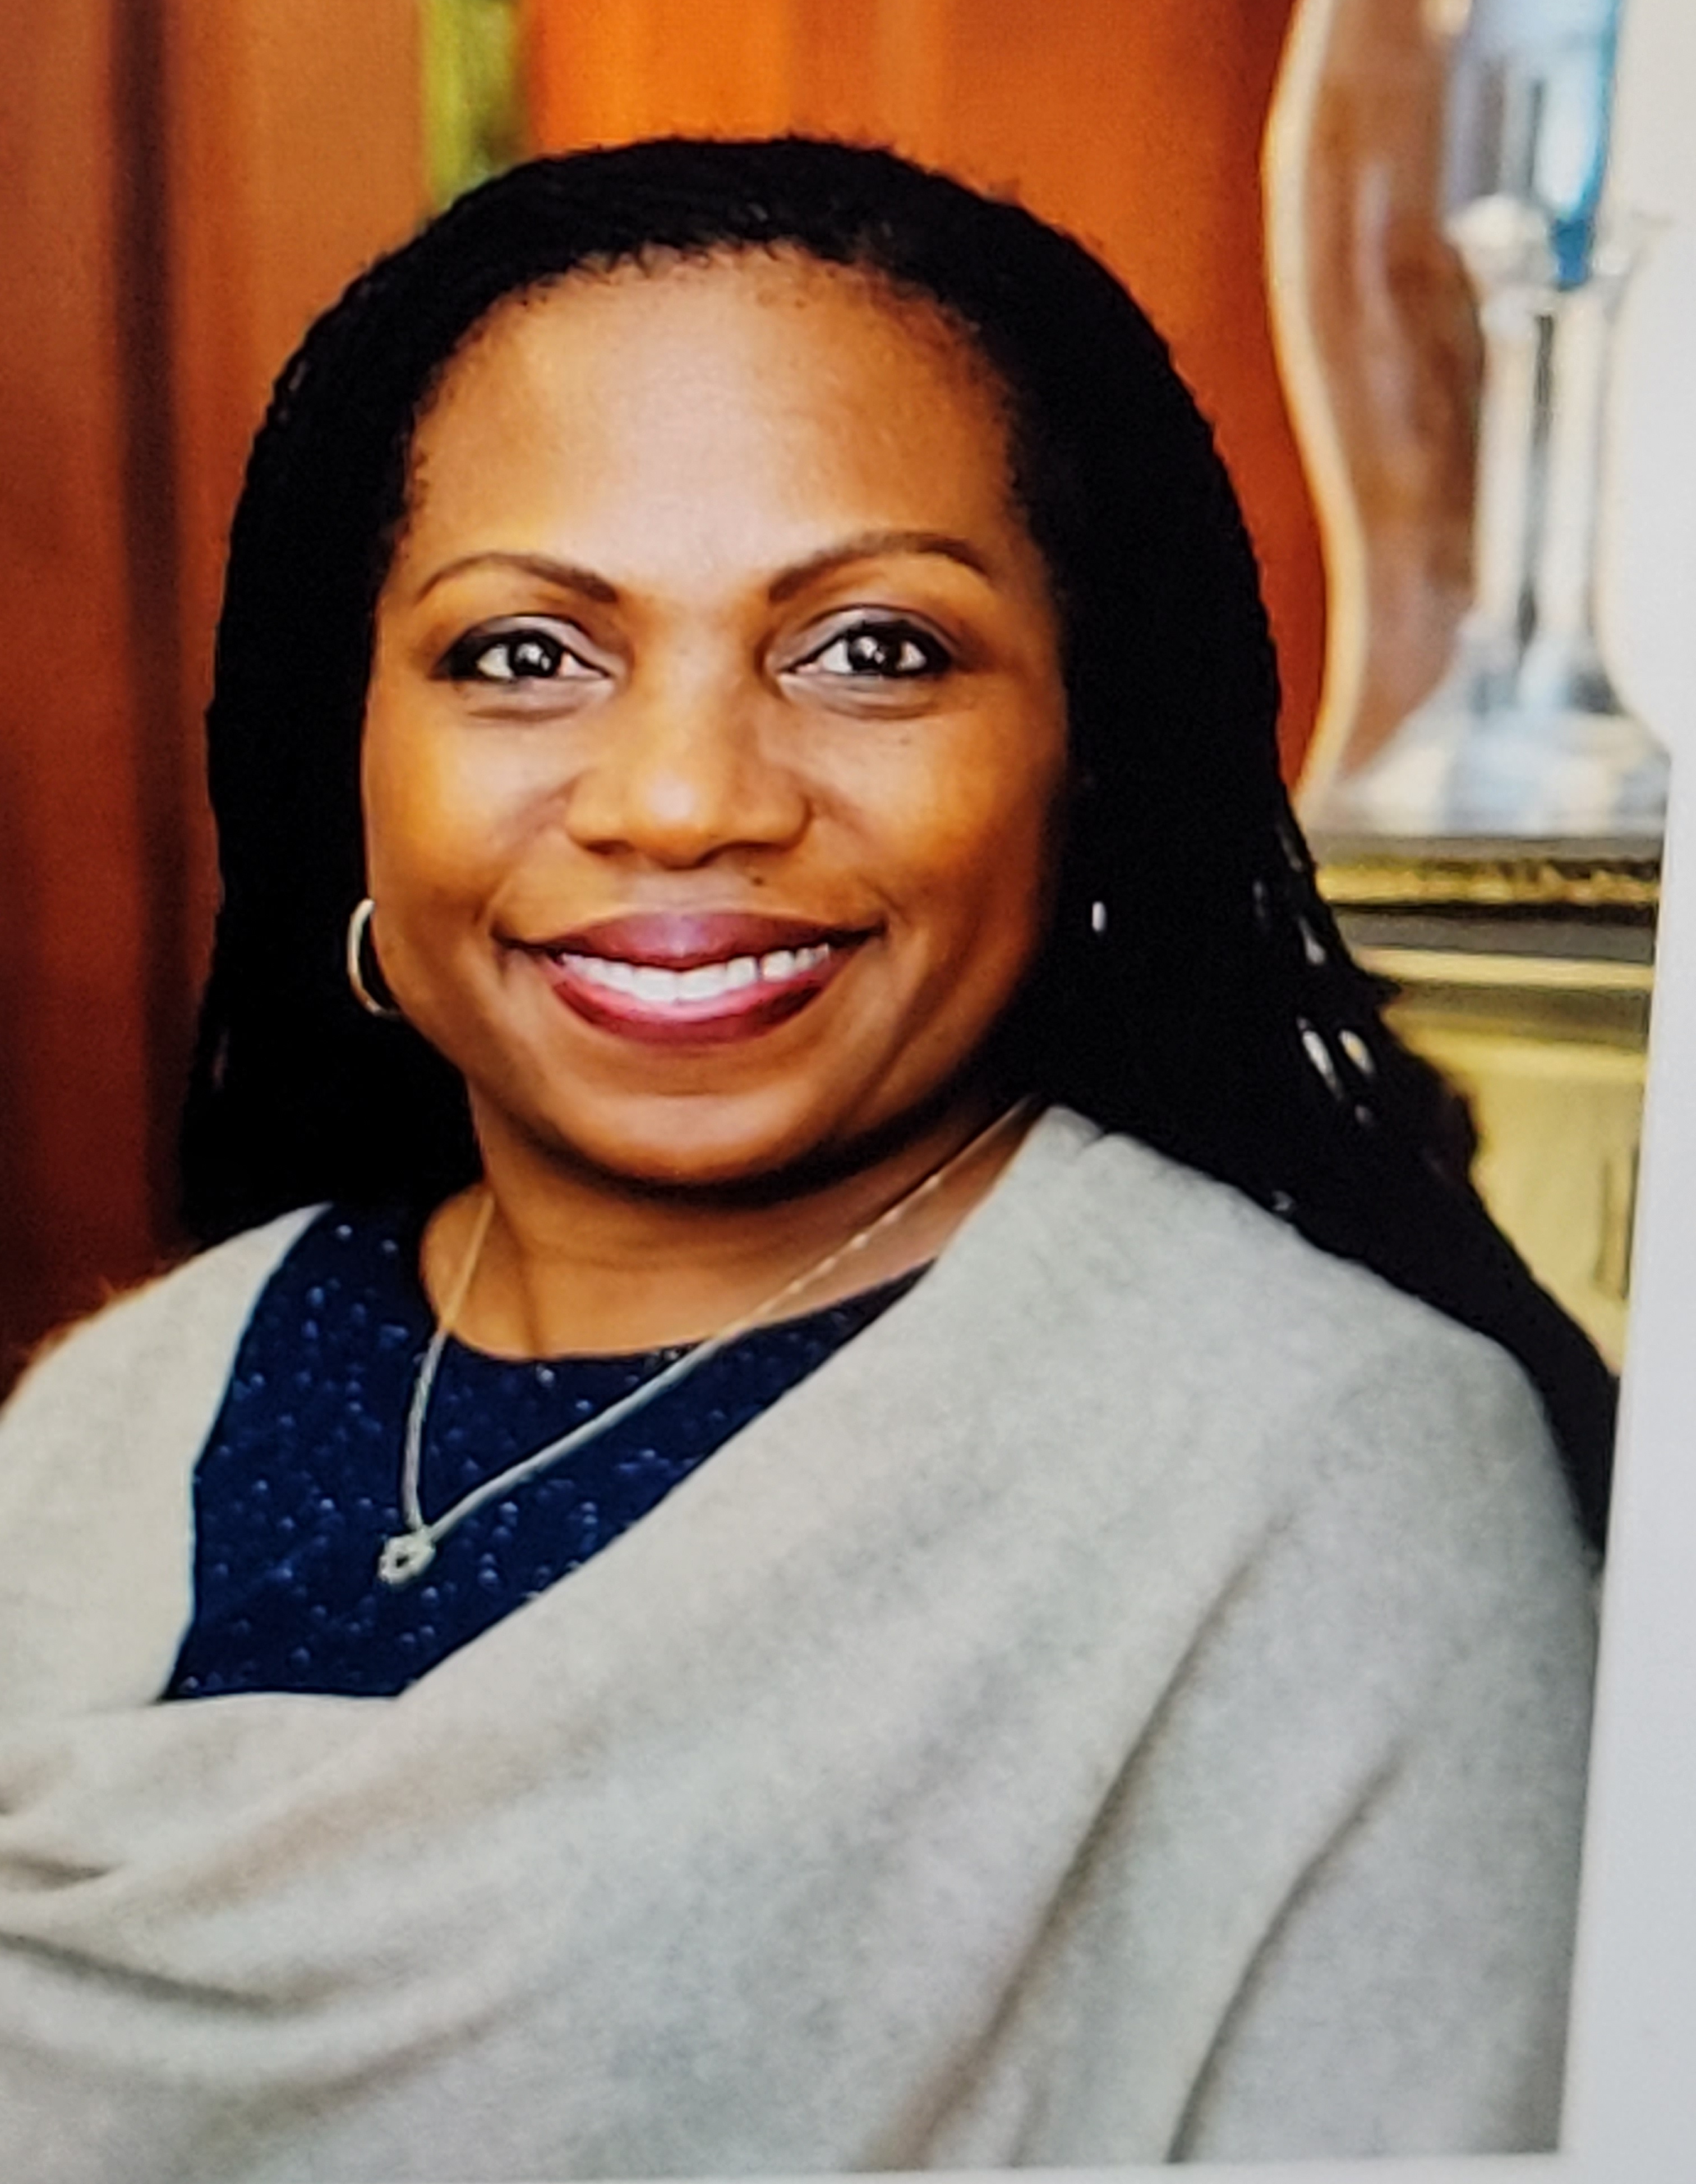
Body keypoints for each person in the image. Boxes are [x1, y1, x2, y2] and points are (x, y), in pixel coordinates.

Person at [0, 139, 1608, 2179]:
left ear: (1088, 750)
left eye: (873, 649)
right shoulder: (112, 1416)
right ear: (353, 752)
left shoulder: (1329, 1472)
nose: (683, 800)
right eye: (524, 653)